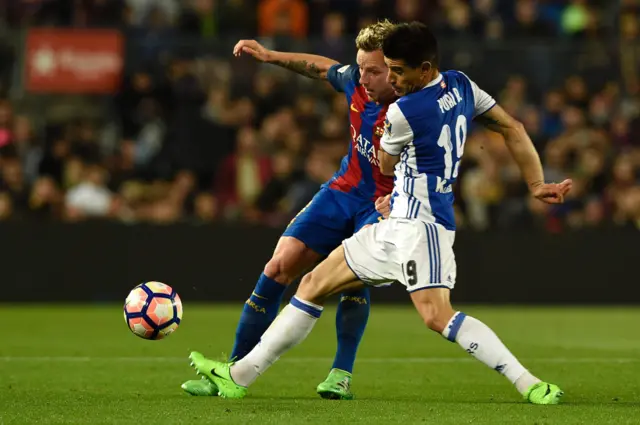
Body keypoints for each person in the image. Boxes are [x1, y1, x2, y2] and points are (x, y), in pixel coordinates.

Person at [187, 22, 572, 404]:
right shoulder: (462, 84)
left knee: (437, 317)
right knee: (311, 286)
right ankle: (238, 375)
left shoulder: (402, 111)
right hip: (390, 220)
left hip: (423, 227)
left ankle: (528, 383)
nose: (387, 77)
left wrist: (399, 180)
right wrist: (536, 184)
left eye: (394, 71)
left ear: (422, 69)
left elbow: (387, 167)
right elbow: (511, 126)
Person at [181, 21, 399, 400]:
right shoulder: (356, 81)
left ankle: (341, 373)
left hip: (382, 204)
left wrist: (402, 199)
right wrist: (269, 55)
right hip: (341, 192)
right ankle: (231, 370)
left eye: (374, 70)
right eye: (360, 67)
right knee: (277, 267)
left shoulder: (416, 108)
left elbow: (441, 159)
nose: (362, 76)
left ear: (396, 69)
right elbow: (319, 67)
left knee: (352, 279)